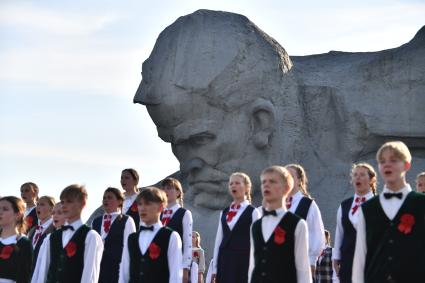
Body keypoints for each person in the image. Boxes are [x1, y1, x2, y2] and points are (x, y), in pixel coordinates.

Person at [352, 141, 425, 282]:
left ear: (406, 165)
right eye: (382, 161)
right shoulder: (367, 209)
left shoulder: (421, 203)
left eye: (393, 160)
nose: (387, 164)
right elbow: (360, 257)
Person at [248, 166, 311, 282]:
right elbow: (252, 266)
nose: (266, 185)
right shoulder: (255, 226)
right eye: (264, 182)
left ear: (286, 188)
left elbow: (303, 270)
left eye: (272, 181)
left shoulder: (297, 224)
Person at [32, 184, 103, 283]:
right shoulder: (51, 237)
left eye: (69, 201)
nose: (64, 206)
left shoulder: (90, 236)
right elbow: (41, 272)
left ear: (82, 203)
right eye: (62, 201)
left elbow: (90, 275)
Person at [118, 187, 182, 283]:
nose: (142, 208)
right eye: (140, 204)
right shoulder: (131, 238)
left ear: (161, 207)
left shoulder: (171, 236)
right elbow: (123, 274)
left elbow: (175, 276)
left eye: (147, 204)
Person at [211, 172, 260, 283]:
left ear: (247, 187)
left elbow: (256, 243)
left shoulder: (254, 212)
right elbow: (219, 240)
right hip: (224, 261)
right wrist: (215, 268)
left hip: (243, 262)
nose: (233, 185)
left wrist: (254, 270)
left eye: (237, 183)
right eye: (231, 183)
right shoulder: (224, 212)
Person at [332, 163, 377, 283]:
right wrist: (336, 257)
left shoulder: (379, 204)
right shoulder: (344, 205)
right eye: (355, 175)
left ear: (372, 179)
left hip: (371, 260)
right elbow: (339, 232)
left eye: (362, 175)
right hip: (348, 260)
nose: (357, 177)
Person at [285, 164, 326, 276]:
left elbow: (317, 234)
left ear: (299, 181)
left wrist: (312, 261)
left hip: (300, 264)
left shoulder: (308, 205)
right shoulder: (276, 204)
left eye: (291, 176)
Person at [92, 187, 136, 283]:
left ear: (120, 201)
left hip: (117, 270)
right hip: (99, 270)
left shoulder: (127, 220)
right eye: (104, 198)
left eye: (109, 197)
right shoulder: (96, 221)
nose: (106, 200)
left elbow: (130, 248)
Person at [160, 177, 193, 283]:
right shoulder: (158, 213)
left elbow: (188, 243)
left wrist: (185, 269)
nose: (165, 191)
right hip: (158, 263)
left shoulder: (185, 213)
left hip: (176, 264)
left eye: (169, 188)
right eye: (164, 188)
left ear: (178, 192)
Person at [0, 196, 33, 283]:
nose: (0, 212)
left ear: (18, 215)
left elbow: (24, 277)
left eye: (5, 209)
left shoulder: (23, 242)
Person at [28, 196, 55, 271]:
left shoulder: (55, 229)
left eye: (42, 204)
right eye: (37, 204)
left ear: (52, 208)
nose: (38, 207)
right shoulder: (33, 230)